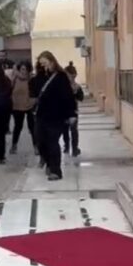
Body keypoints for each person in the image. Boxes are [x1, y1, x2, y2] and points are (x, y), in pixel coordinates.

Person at [35, 51, 77, 182]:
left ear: (51, 60)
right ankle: (48, 162)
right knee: (41, 142)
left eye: (44, 63)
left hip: (56, 116)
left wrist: (71, 114)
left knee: (52, 142)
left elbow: (68, 96)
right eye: (41, 64)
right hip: (42, 115)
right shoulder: (43, 76)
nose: (43, 66)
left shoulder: (60, 77)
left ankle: (55, 171)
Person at [10, 61, 36, 155]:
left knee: (32, 127)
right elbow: (10, 89)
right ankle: (14, 145)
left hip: (29, 105)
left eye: (26, 69)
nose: (24, 71)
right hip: (17, 106)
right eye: (22, 69)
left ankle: (36, 146)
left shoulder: (31, 79)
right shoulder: (15, 79)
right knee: (17, 127)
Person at [62, 63, 85, 157]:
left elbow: (81, 98)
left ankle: (74, 148)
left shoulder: (76, 87)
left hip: (72, 111)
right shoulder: (62, 86)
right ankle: (68, 146)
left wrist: (76, 93)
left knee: (73, 130)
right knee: (65, 130)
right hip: (64, 111)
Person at [29, 61, 48, 161]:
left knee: (37, 132)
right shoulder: (49, 79)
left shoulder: (32, 81)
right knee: (47, 134)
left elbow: (31, 96)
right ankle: (45, 156)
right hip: (48, 109)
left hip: (37, 109)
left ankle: (40, 153)